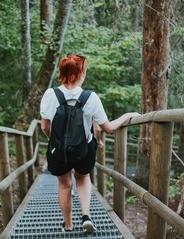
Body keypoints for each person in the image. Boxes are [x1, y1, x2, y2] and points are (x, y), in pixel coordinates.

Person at [40, 54, 139, 233]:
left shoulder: (50, 94)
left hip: (58, 150)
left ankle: (68, 226)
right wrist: (126, 116)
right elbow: (107, 127)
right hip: (83, 150)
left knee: (64, 185)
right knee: (82, 177)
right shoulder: (90, 97)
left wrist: (52, 141)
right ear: (80, 73)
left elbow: (45, 126)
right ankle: (86, 215)